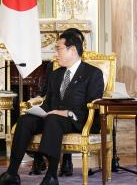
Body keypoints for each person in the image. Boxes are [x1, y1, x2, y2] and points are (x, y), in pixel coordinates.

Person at [0, 28, 104, 185]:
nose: (56, 54)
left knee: (53, 119)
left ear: (73, 50)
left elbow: (93, 104)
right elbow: (49, 103)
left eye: (58, 49)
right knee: (26, 120)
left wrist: (66, 112)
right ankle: (12, 173)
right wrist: (37, 111)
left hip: (77, 120)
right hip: (53, 117)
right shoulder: (56, 74)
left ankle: (51, 176)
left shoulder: (93, 73)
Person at [30, 28, 86, 177]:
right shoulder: (54, 68)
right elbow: (47, 92)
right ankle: (38, 159)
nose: (56, 54)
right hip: (53, 109)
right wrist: (37, 101)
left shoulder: (87, 71)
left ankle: (64, 161)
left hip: (72, 116)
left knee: (57, 118)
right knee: (31, 119)